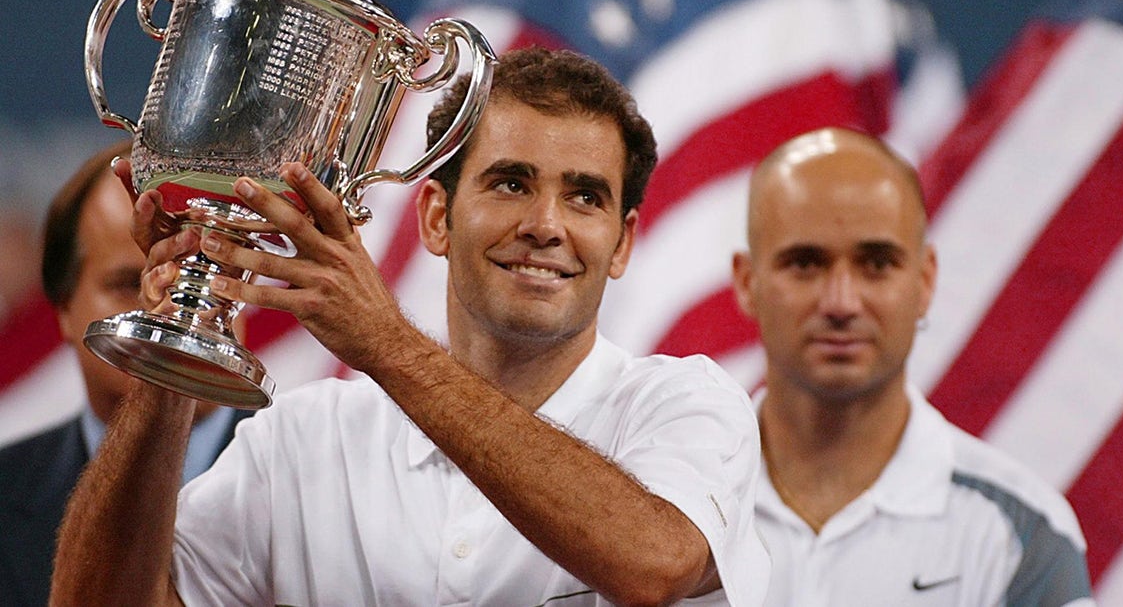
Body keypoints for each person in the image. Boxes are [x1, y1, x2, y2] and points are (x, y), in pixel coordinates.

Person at [52, 47, 768, 606]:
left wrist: (387, 344)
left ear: (622, 243)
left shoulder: (688, 403)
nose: (546, 226)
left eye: (585, 197)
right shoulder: (303, 440)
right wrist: (180, 345)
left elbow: (651, 565)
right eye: (511, 182)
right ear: (434, 217)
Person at [732, 127, 1093, 606]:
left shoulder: (1022, 533)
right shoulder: (670, 499)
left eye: (877, 264)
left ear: (925, 281)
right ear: (746, 281)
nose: (841, 302)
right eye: (805, 264)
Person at [0, 141, 253, 607]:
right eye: (128, 285)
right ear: (62, 309)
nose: (167, 311)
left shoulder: (323, 486)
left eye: (197, 279)